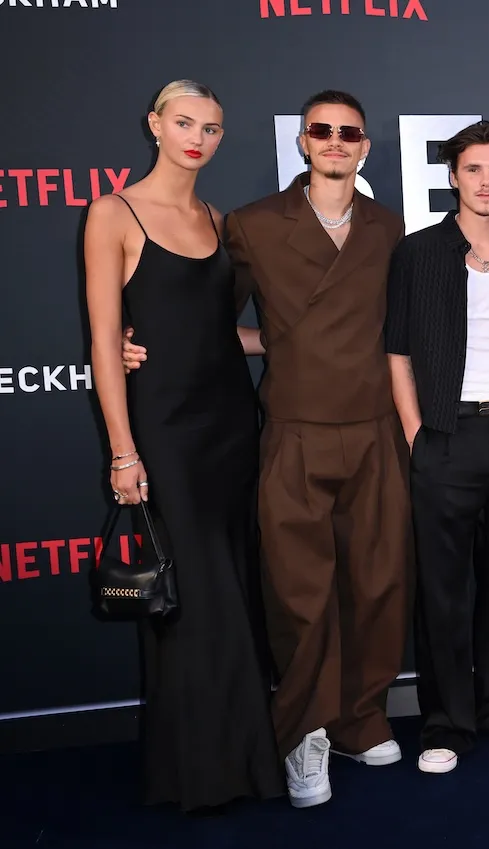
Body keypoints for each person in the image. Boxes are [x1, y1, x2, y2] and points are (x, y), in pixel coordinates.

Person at [124, 89, 412, 809]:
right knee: (301, 593)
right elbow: (207, 317)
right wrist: (137, 346)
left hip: (375, 426)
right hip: (294, 430)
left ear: (366, 146)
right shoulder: (253, 225)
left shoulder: (388, 226)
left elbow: (415, 322)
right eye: (323, 131)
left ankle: (359, 717)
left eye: (351, 132)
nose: (337, 141)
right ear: (304, 144)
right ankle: (305, 731)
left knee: (377, 584)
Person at [86, 79, 284, 813]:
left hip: (233, 426)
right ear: (156, 126)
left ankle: (244, 759)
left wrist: (305, 346)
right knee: (192, 599)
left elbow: (219, 334)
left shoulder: (221, 221)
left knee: (232, 589)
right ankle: (197, 771)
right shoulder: (114, 212)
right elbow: (108, 340)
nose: (197, 136)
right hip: (164, 433)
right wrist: (122, 451)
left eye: (211, 127)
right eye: (183, 122)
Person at [384, 120, 489, 775]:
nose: (486, 182)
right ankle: (445, 722)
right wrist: (417, 438)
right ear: (454, 175)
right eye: (474, 169)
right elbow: (397, 354)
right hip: (444, 438)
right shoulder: (418, 253)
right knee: (444, 591)